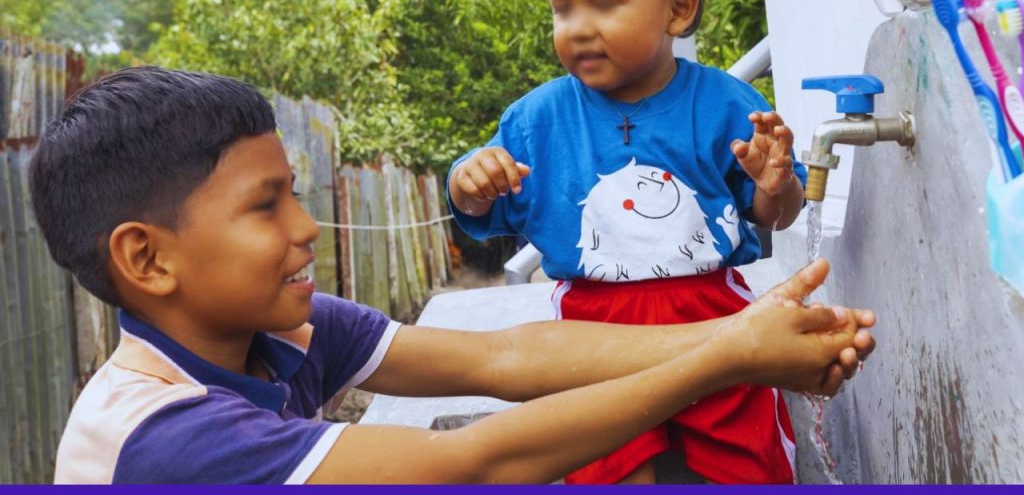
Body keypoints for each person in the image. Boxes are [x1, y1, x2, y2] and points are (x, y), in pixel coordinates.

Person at [34, 67, 875, 484]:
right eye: (266, 207)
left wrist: (742, 331)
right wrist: (731, 359)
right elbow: (472, 466)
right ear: (148, 258)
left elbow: (502, 361)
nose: (305, 228)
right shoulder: (169, 440)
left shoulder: (279, 332)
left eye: (294, 194)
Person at [447, 0, 811, 485]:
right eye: (562, 10)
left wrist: (775, 184)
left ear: (678, 8)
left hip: (713, 318)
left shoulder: (724, 104)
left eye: (605, 3)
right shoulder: (536, 120)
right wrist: (466, 183)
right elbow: (479, 206)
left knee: (745, 463)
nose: (579, 28)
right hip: (593, 330)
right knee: (604, 462)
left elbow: (775, 217)